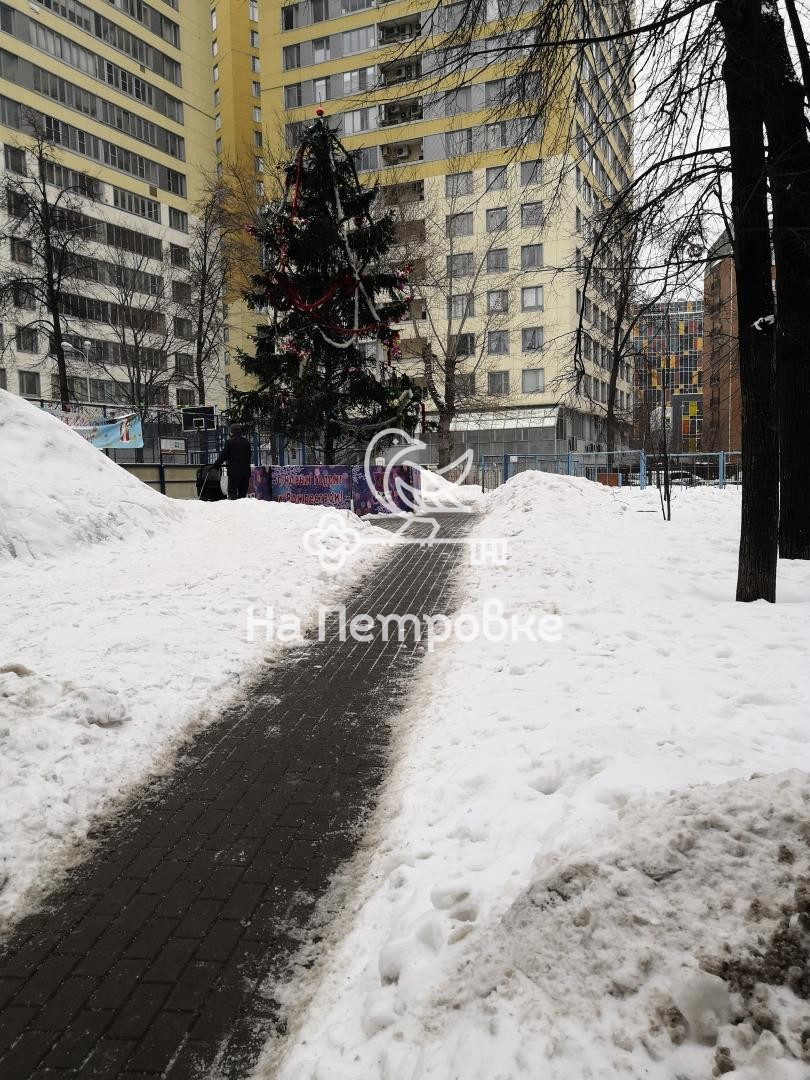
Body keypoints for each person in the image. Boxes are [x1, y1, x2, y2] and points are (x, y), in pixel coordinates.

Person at [213, 423, 252, 499]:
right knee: (242, 494)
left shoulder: (230, 442)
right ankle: (243, 509)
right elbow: (249, 455)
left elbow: (224, 455)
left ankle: (235, 508)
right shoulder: (246, 442)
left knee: (232, 492)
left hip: (234, 472)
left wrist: (216, 464)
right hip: (245, 472)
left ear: (232, 432)